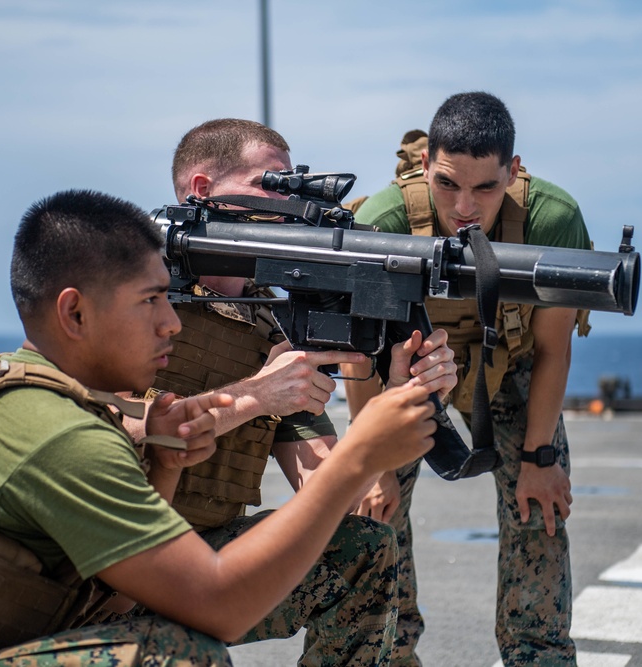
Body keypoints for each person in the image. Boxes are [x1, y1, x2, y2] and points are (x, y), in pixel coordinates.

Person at [0, 189, 437, 665]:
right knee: (177, 654)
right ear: (75, 313)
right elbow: (216, 605)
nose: (170, 324)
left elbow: (110, 599)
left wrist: (164, 463)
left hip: (41, 616)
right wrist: (359, 452)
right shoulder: (56, 431)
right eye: (151, 302)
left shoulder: (41, 392)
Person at [146, 118, 456, 666]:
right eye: (271, 184)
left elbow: (325, 481)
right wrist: (259, 396)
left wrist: (402, 397)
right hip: (116, 558)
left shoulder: (270, 317)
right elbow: (112, 430)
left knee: (363, 548)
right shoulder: (140, 293)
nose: (289, 201)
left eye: (293, 184)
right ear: (202, 191)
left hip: (207, 552)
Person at [342, 92, 592, 667]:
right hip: (407, 371)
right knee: (371, 513)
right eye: (449, 183)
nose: (465, 206)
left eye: (486, 188)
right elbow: (359, 361)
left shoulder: (551, 221)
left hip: (513, 359)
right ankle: (389, 654)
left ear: (514, 170)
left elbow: (553, 349)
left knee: (541, 508)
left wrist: (540, 455)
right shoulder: (382, 222)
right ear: (426, 162)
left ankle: (539, 655)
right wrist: (372, 466)